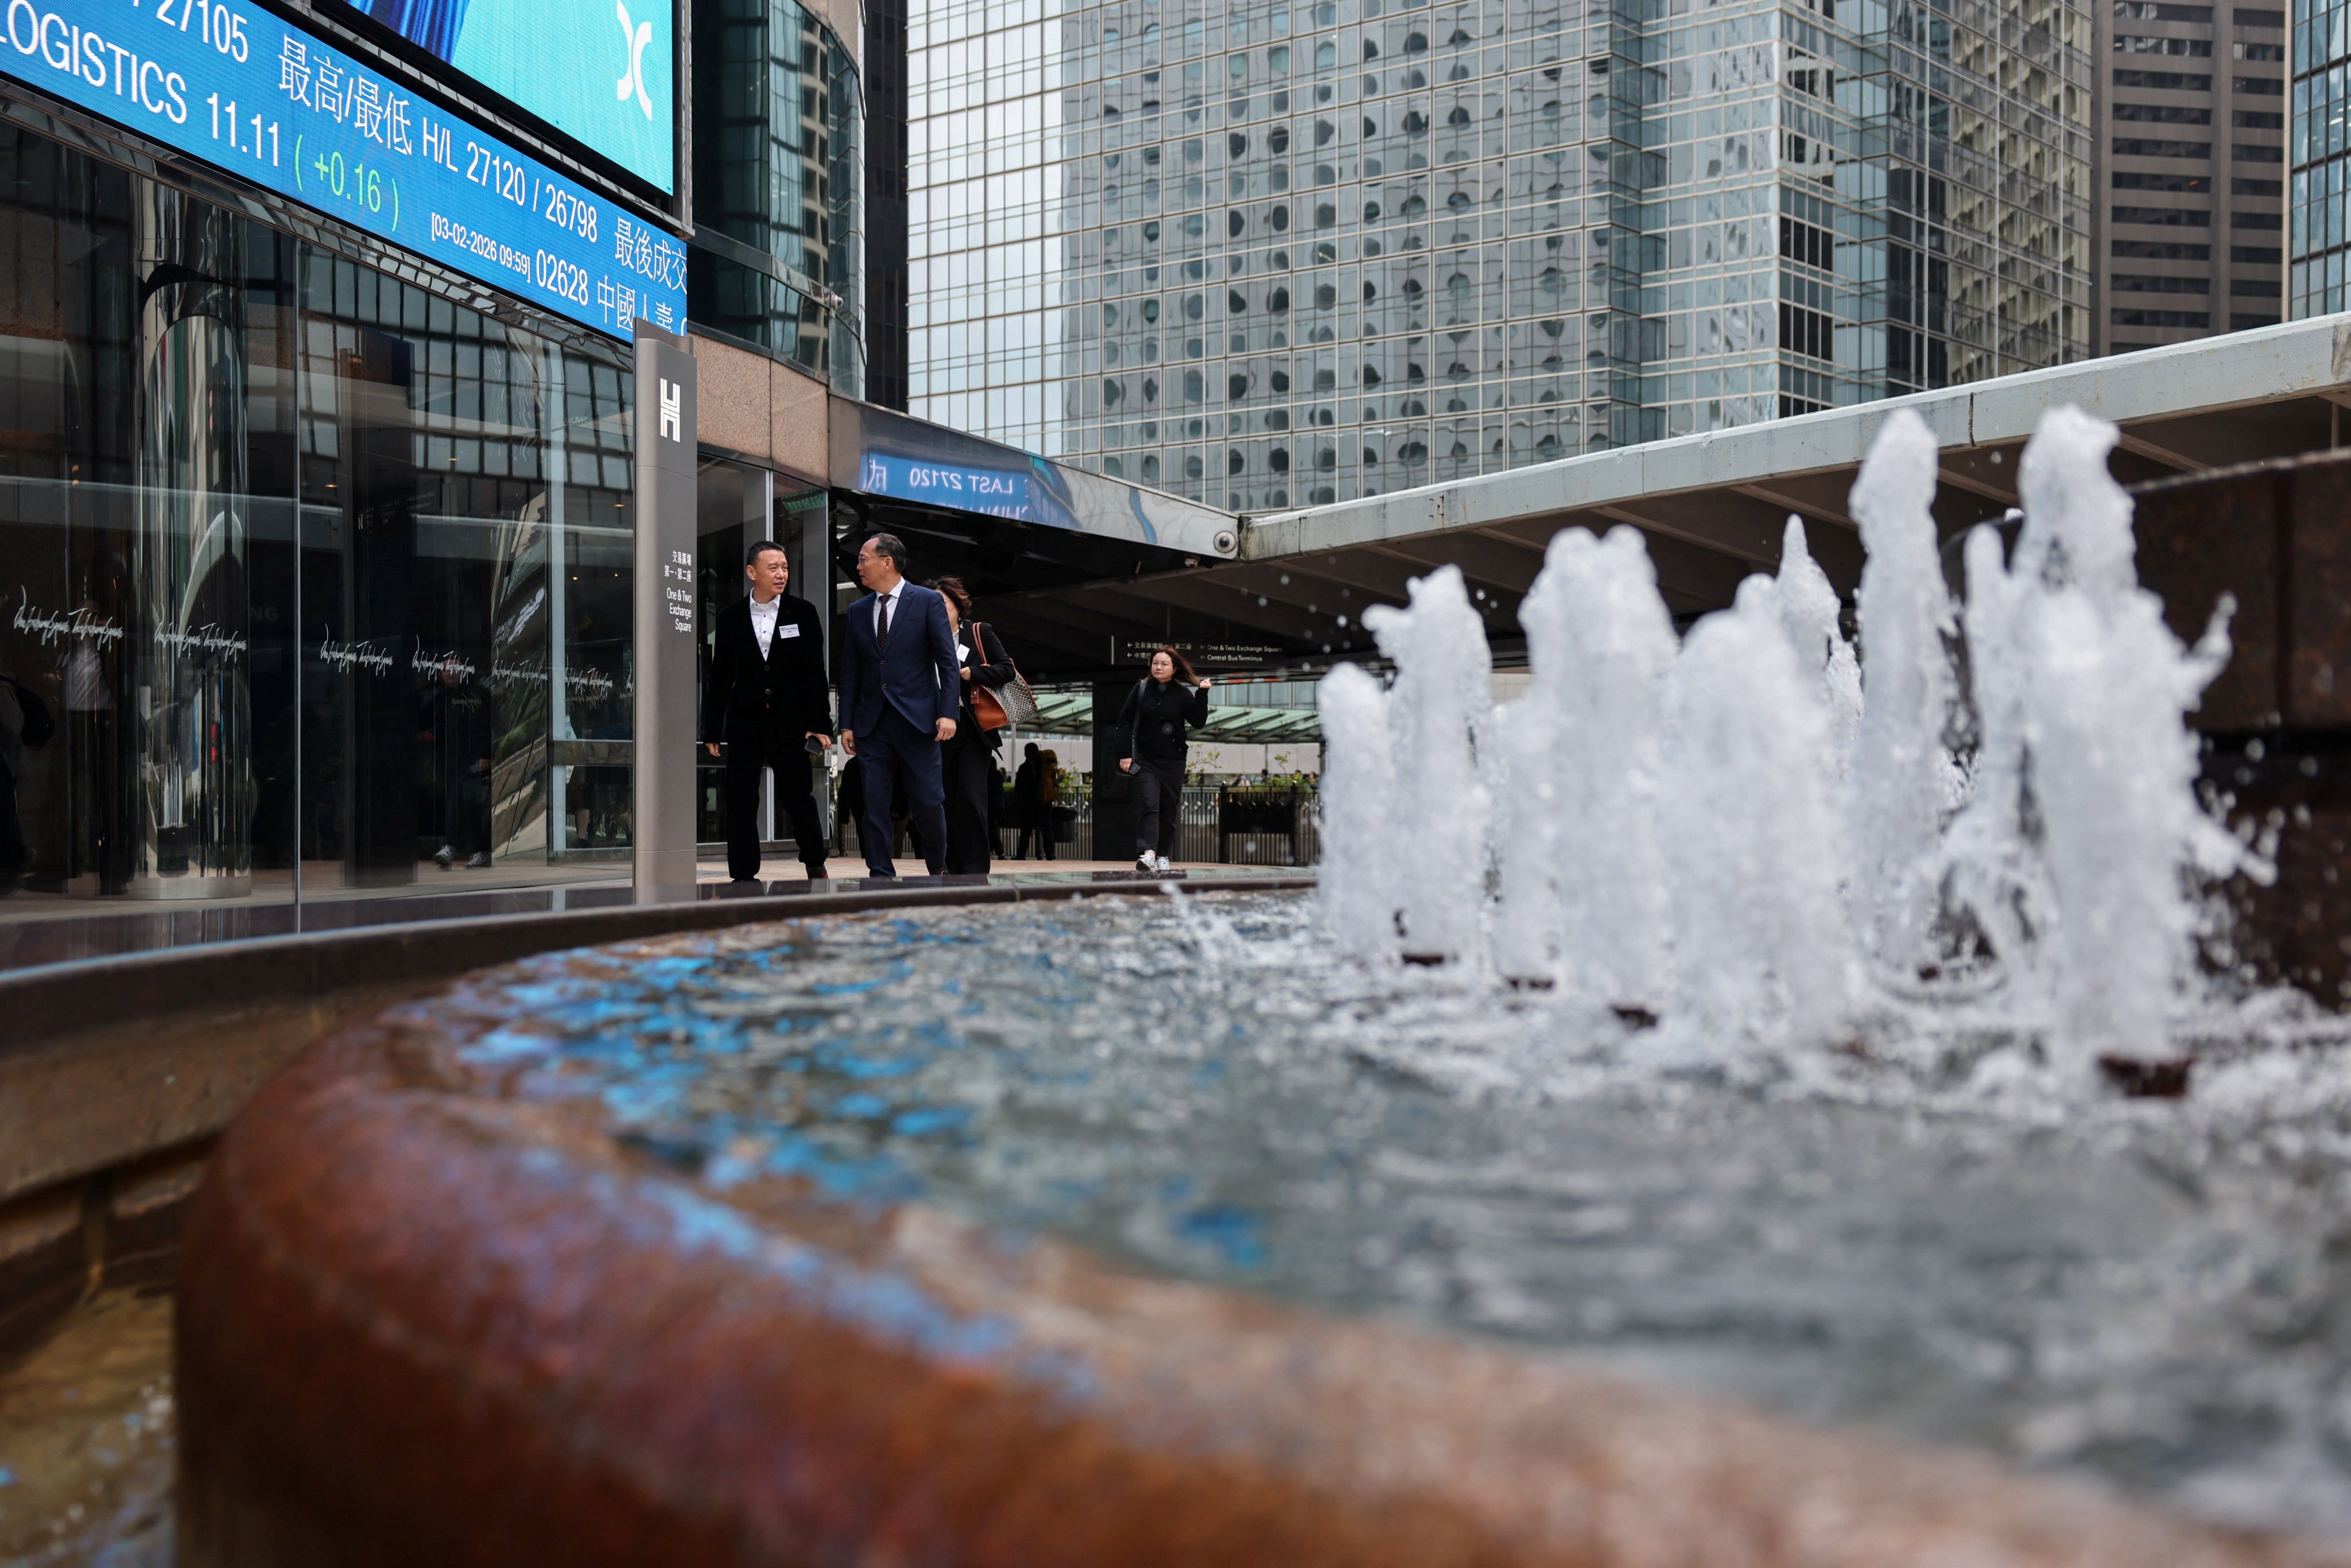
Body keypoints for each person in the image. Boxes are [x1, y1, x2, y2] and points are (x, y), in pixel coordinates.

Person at [701, 540, 833, 882]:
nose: (781, 574)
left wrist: (820, 724)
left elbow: (816, 672)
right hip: (745, 724)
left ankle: (815, 862)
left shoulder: (802, 612)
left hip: (791, 724)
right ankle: (743, 873)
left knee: (798, 797)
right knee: (741, 801)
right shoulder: (730, 618)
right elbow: (720, 678)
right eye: (773, 567)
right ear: (752, 573)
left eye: (785, 567)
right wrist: (712, 729)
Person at [836, 533, 958, 878]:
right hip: (872, 724)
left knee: (927, 802)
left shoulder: (926, 601)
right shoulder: (859, 610)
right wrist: (847, 723)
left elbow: (946, 662)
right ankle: (880, 873)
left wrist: (947, 712)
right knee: (874, 805)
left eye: (863, 559)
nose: (858, 566)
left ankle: (938, 868)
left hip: (918, 721)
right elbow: (851, 672)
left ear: (887, 562)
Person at [929, 576, 1015, 875]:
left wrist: (974, 673)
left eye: (944, 604)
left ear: (958, 606)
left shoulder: (979, 633)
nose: (938, 610)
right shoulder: (922, 637)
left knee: (970, 796)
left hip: (972, 729)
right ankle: (951, 866)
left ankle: (976, 868)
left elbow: (1006, 669)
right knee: (944, 799)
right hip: (934, 729)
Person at [1115, 646, 1212, 873]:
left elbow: (1198, 721)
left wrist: (1203, 694)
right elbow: (1125, 723)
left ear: (1174, 668)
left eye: (1164, 664)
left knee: (1169, 809)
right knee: (1149, 803)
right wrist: (1124, 754)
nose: (1158, 667)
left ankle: (1163, 855)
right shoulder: (1140, 689)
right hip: (1146, 760)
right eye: (1155, 663)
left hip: (1174, 761)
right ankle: (1149, 853)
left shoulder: (1182, 694)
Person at [424, 657, 495, 869]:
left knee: (470, 802)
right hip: (452, 764)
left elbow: (488, 725)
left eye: (454, 669)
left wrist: (486, 755)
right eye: (445, 670)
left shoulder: (478, 695)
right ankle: (475, 850)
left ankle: (456, 848)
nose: (450, 673)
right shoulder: (441, 699)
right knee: (462, 802)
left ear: (464, 671)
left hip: (476, 763)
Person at [1012, 742, 1053, 860]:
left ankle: (1021, 855)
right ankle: (1050, 855)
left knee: (1026, 832)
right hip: (1044, 803)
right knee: (1046, 830)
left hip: (1028, 805)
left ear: (1026, 753)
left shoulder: (1024, 768)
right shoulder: (1045, 767)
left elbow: (1019, 788)